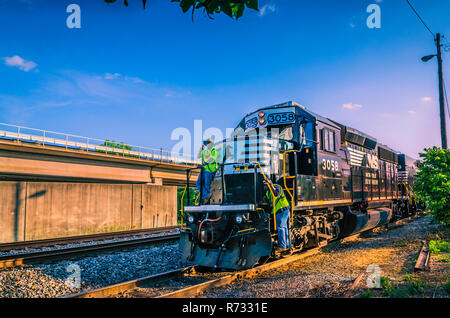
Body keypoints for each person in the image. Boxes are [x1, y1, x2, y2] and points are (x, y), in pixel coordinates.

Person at [263, 179, 291, 253]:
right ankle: (287, 246)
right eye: (265, 185)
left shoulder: (277, 187)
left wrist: (271, 184)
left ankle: (282, 246)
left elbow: (276, 193)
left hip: (282, 209)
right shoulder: (268, 193)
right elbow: (267, 201)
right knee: (284, 227)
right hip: (278, 211)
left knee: (281, 227)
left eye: (266, 184)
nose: (265, 186)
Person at [196, 138, 217, 204]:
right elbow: (198, 156)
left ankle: (208, 198)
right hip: (204, 170)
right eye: (207, 143)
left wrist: (206, 163)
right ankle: (206, 195)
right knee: (198, 183)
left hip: (210, 170)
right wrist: (200, 149)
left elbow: (212, 159)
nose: (208, 144)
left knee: (207, 184)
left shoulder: (214, 151)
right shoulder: (204, 151)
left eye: (209, 143)